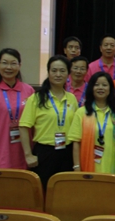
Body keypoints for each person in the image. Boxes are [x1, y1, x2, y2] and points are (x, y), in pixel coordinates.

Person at [19, 55, 78, 189]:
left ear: (68, 74)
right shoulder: (36, 98)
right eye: (54, 70)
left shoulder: (72, 98)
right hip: (44, 152)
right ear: (48, 72)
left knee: (64, 190)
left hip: (67, 152)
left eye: (62, 71)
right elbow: (23, 126)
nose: (58, 74)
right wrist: (28, 154)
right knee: (43, 190)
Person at [68, 72, 115, 175]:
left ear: (110, 89)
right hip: (88, 168)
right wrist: (76, 166)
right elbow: (76, 142)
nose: (100, 88)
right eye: (96, 85)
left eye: (104, 85)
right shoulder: (82, 112)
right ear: (91, 88)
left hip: (114, 167)